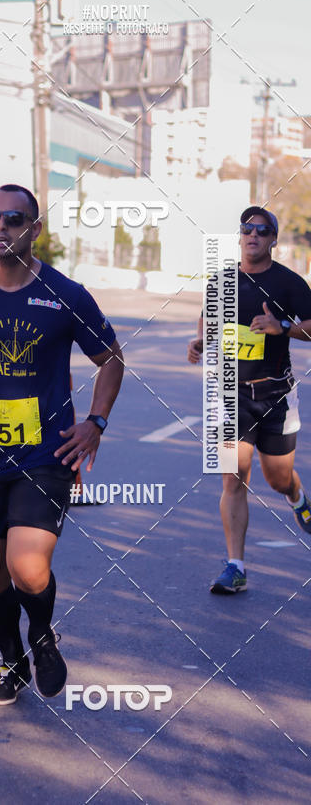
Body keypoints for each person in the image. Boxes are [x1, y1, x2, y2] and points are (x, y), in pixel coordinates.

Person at [0, 184, 124, 704]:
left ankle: (42, 634)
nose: (0, 229)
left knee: (27, 568)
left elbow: (111, 360)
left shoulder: (66, 295)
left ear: (35, 229)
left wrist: (95, 422)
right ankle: (12, 660)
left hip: (46, 454)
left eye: (13, 220)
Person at [187, 206, 311, 594]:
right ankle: (235, 566)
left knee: (276, 478)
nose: (253, 235)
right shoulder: (222, 280)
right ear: (239, 236)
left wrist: (283, 327)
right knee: (234, 477)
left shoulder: (290, 283)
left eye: (262, 230)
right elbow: (209, 319)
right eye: (246, 229)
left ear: (274, 240)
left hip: (275, 393)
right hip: (230, 395)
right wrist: (201, 342)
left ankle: (297, 495)